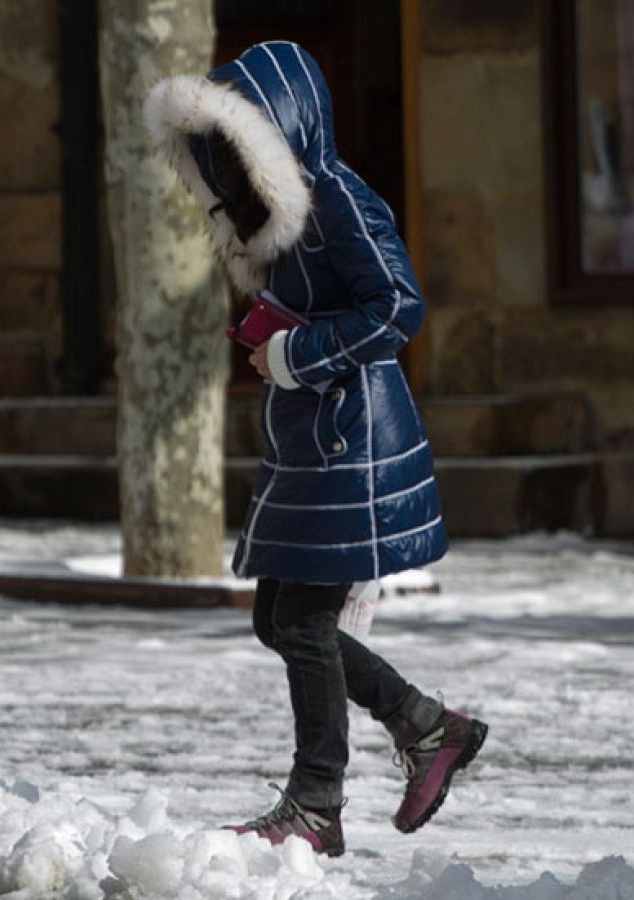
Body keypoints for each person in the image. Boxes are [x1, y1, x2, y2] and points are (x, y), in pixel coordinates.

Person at [144, 41, 487, 858]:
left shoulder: (337, 200)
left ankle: (316, 804)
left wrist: (296, 354)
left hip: (354, 442)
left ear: (275, 138)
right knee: (279, 616)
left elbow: (398, 307)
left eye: (235, 149)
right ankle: (428, 728)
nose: (222, 171)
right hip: (314, 439)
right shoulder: (280, 215)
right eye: (213, 156)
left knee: (299, 619)